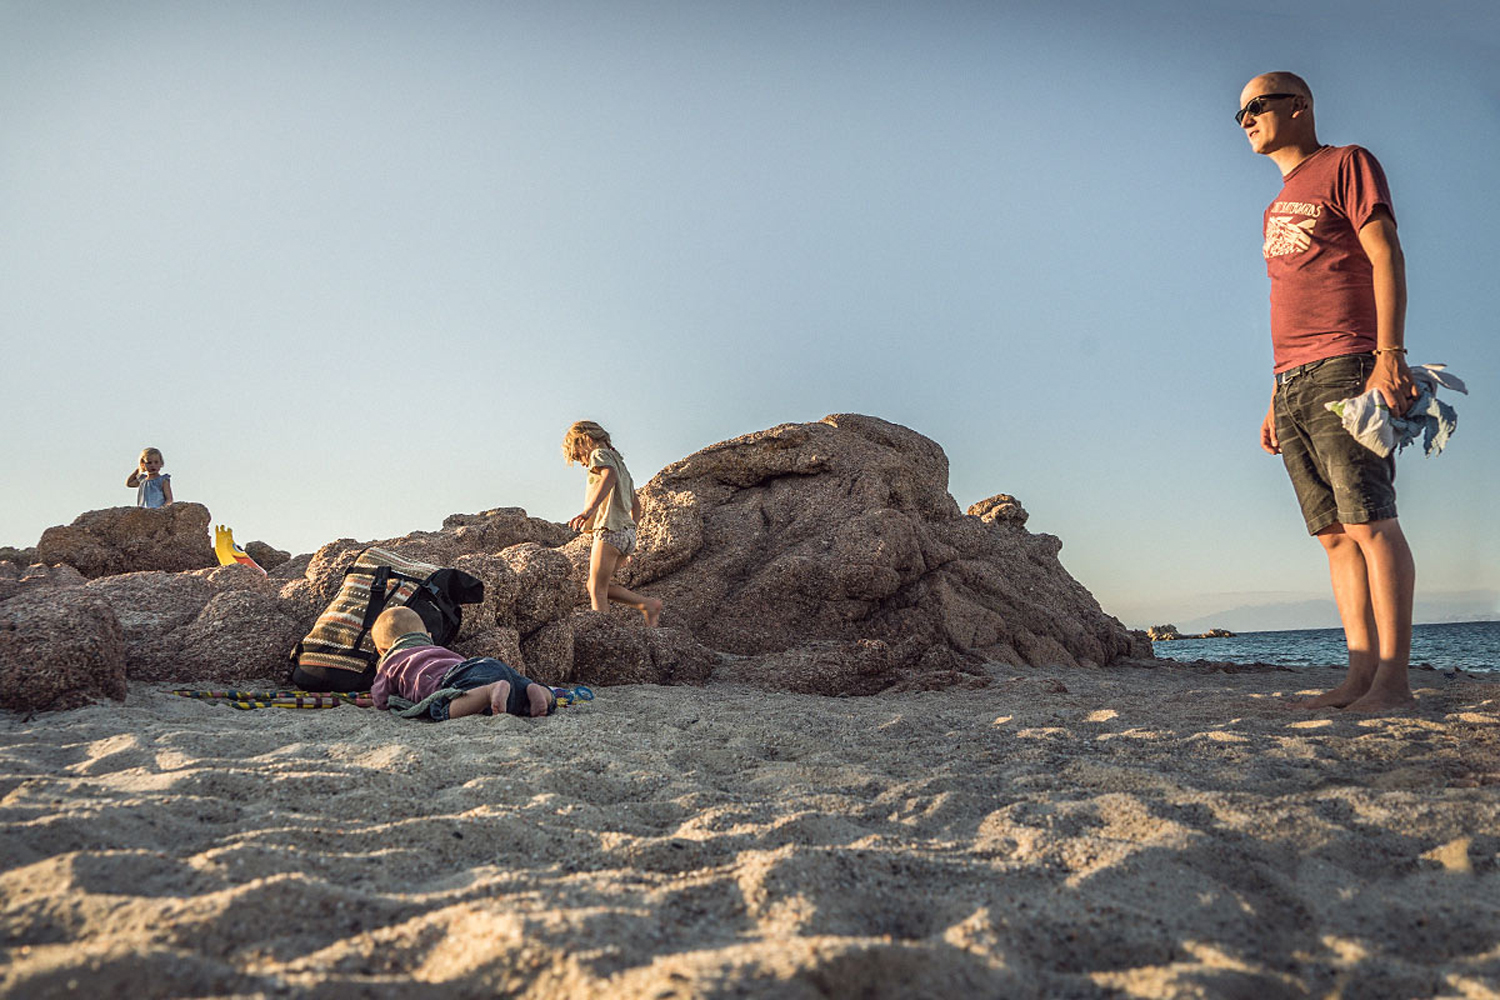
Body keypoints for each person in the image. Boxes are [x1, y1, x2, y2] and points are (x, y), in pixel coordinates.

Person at [1239, 72, 1419, 712]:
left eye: (1257, 106)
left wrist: (1388, 357)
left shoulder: (1347, 164)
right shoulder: (1273, 206)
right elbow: (1288, 299)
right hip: (1291, 379)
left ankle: (1394, 682)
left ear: (1300, 107)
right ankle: (1359, 674)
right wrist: (1275, 393)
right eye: (1240, 115)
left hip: (1348, 364)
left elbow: (1385, 253)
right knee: (1334, 534)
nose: (1248, 120)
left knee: (1370, 520)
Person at [370, 606, 555, 720]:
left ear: (382, 651)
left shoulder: (391, 662)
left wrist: (373, 700)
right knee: (519, 695)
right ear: (428, 637)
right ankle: (536, 690)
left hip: (453, 680)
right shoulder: (437, 650)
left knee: (441, 708)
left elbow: (381, 698)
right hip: (478, 666)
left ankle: (488, 693)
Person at [562, 420, 663, 625]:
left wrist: (587, 511)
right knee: (596, 585)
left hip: (609, 530)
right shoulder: (621, 464)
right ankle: (647, 605)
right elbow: (636, 503)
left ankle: (602, 631)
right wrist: (632, 533)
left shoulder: (600, 455)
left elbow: (608, 475)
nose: (583, 462)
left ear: (587, 440)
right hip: (626, 534)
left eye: (579, 454)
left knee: (597, 590)